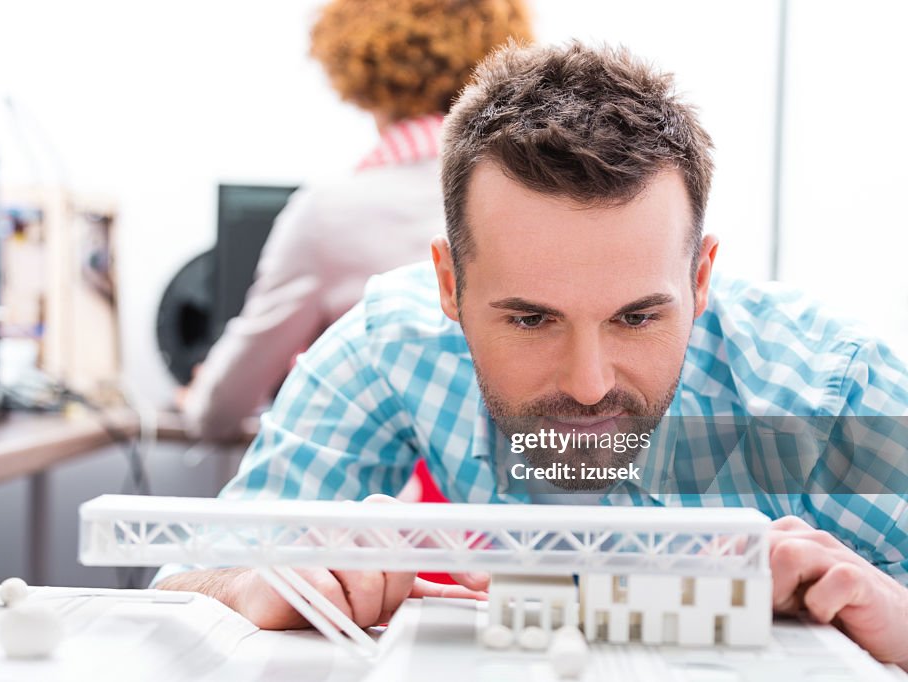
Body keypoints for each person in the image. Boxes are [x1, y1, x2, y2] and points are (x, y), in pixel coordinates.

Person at [159, 41, 908, 667]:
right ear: (449, 284)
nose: (587, 387)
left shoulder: (832, 389)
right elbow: (180, 580)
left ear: (701, 277)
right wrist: (250, 582)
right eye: (529, 320)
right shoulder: (392, 343)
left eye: (638, 317)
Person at [178, 0, 533, 441]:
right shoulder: (537, 195)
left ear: (359, 68)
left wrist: (198, 400)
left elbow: (224, 407)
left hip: (380, 492)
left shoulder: (330, 212)